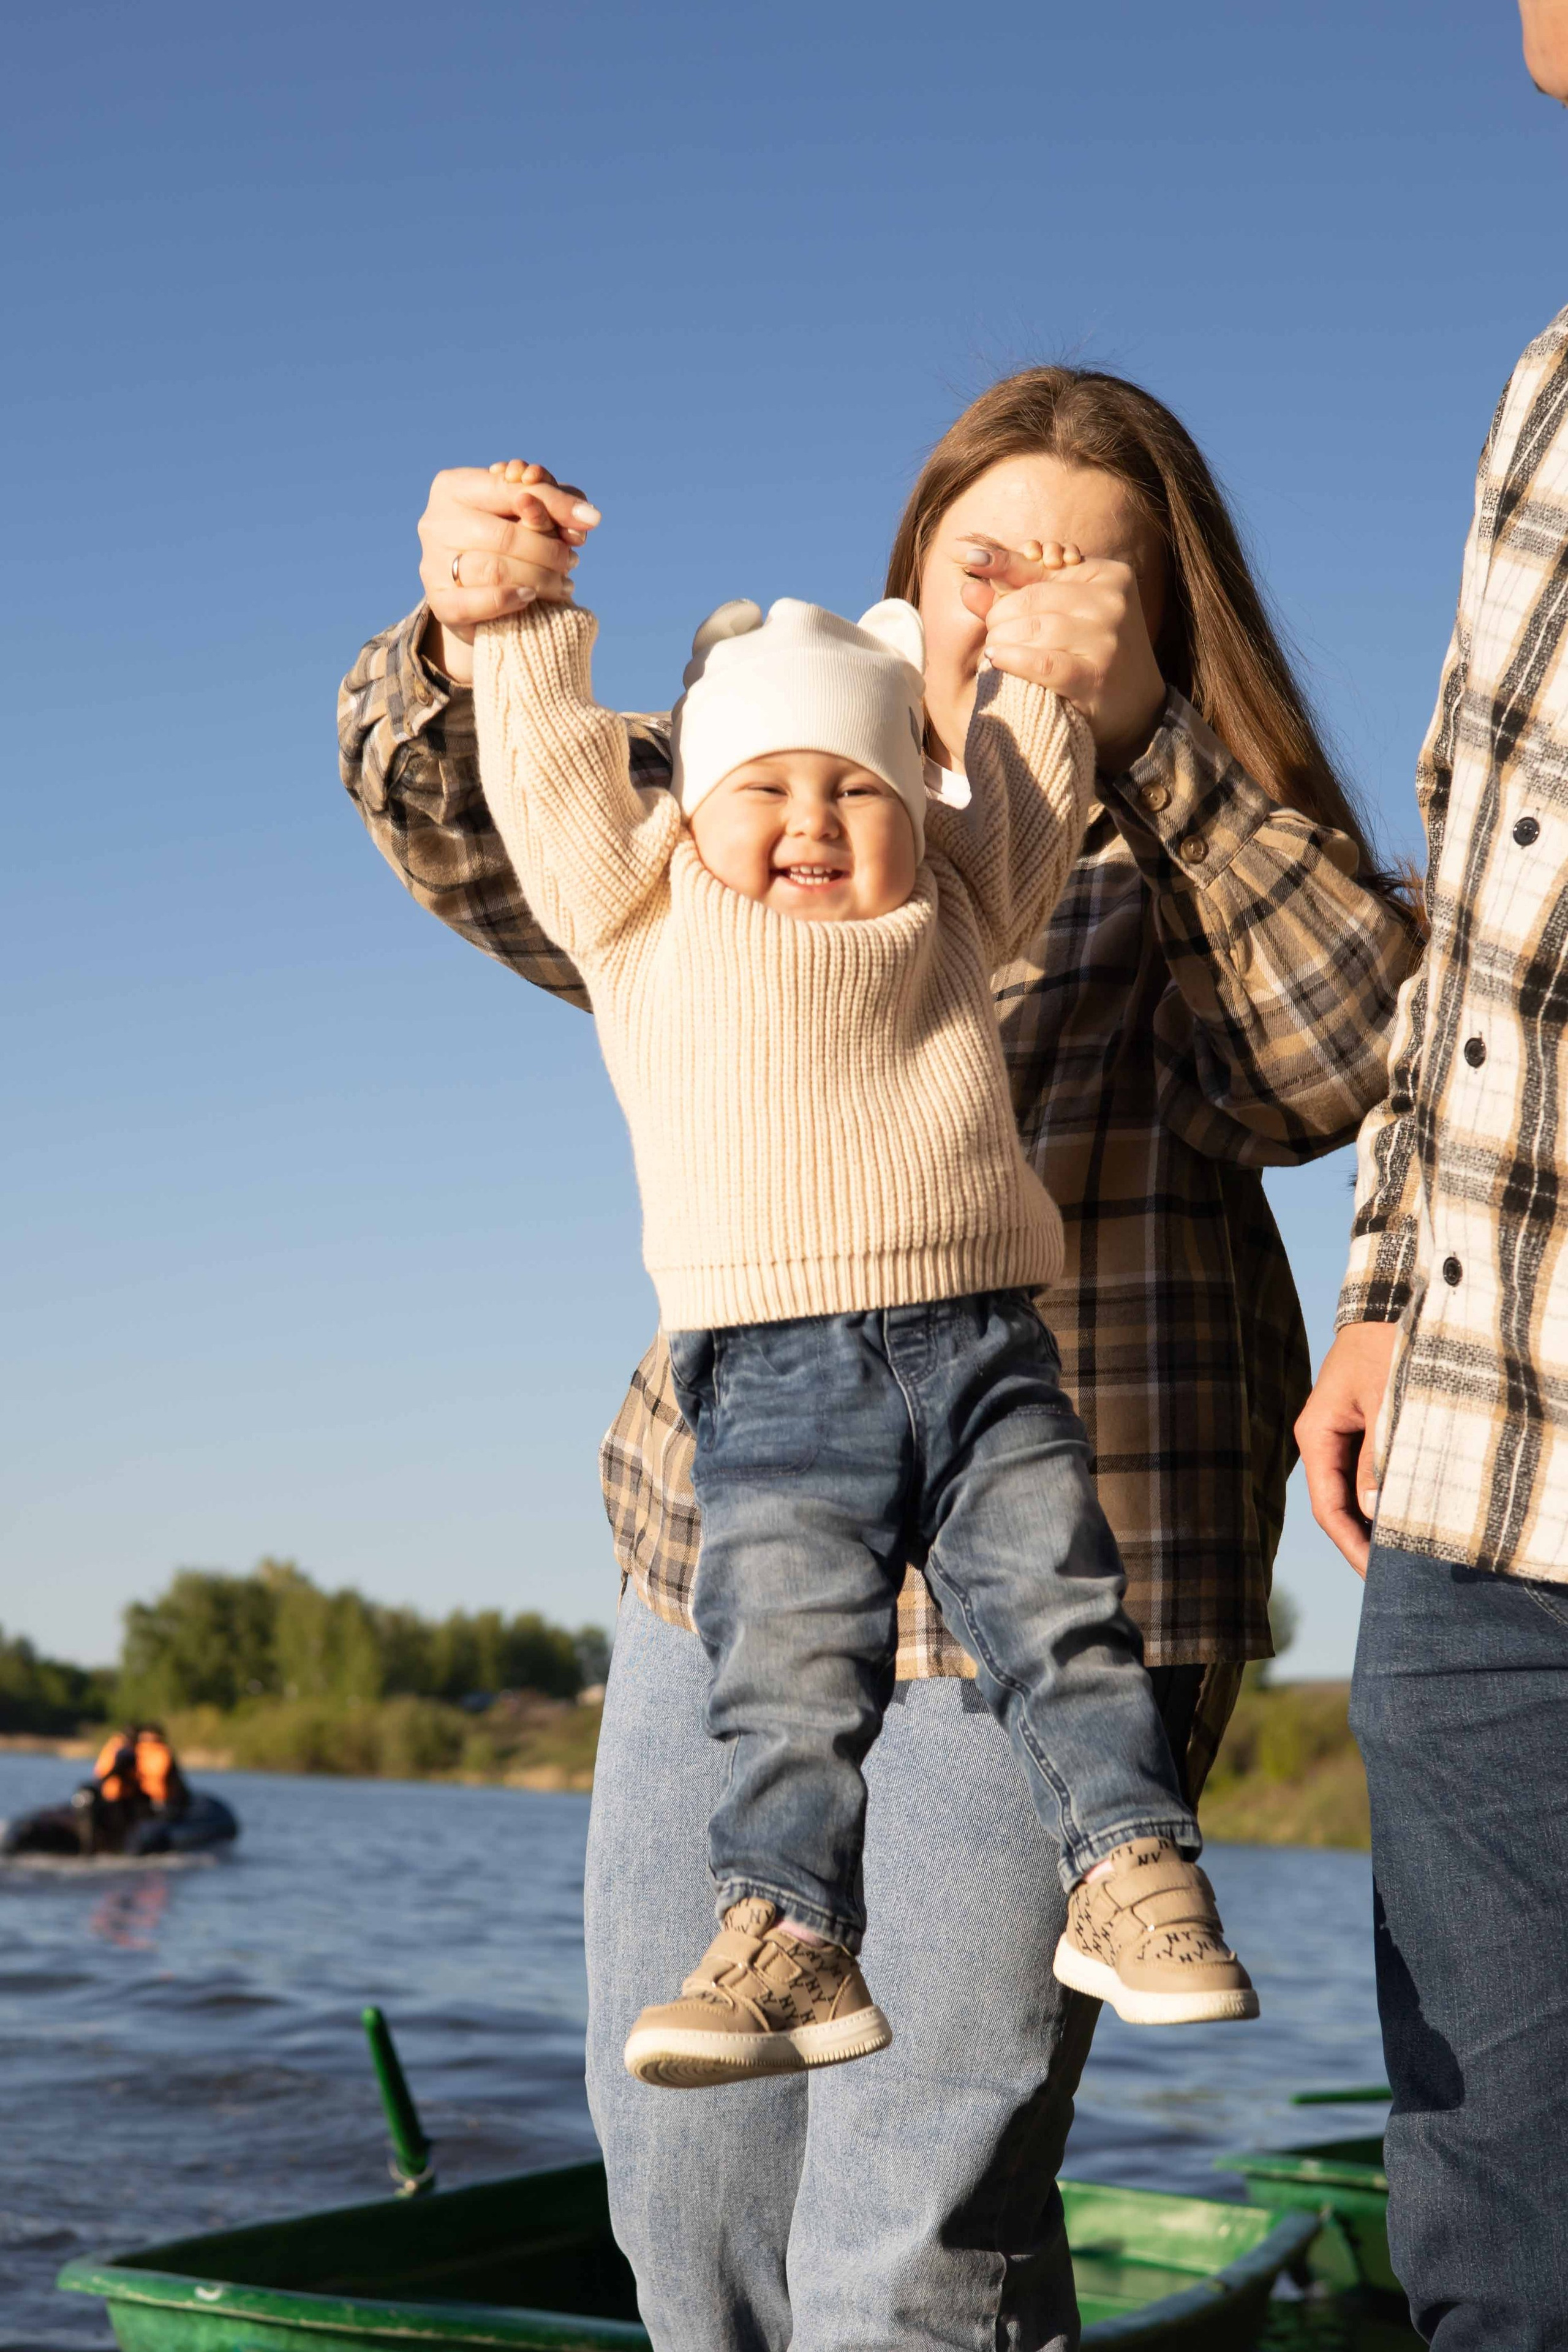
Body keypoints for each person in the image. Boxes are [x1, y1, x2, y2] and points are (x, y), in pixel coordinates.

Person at [341, 367, 1419, 2350]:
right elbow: (504, 837)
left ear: (1166, 626)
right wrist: (474, 625)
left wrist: (1147, 746)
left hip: (1058, 1574)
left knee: (905, 2229)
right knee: (685, 2195)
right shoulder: (755, 796)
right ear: (916, 575)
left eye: (1089, 573)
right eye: (986, 554)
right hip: (736, 1557)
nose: (1023, 596)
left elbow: (1334, 1059)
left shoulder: (1183, 841)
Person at [471, 570, 1256, 2089]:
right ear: (689, 811)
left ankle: (1132, 1878)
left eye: (855, 786)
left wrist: (1029, 665)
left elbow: (1028, 786)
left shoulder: (960, 902)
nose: (813, 819)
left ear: (919, 800)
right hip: (775, 1371)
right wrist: (516, 626)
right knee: (785, 1667)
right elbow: (547, 777)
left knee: (1063, 1618)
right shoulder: (639, 911)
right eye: (764, 785)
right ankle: (789, 1935)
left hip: (981, 1350)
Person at [1294, 7, 1568, 2343]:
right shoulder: (1541, 381)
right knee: (1492, 2219)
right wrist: (1387, 1278)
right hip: (1484, 1484)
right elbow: (1480, 888)